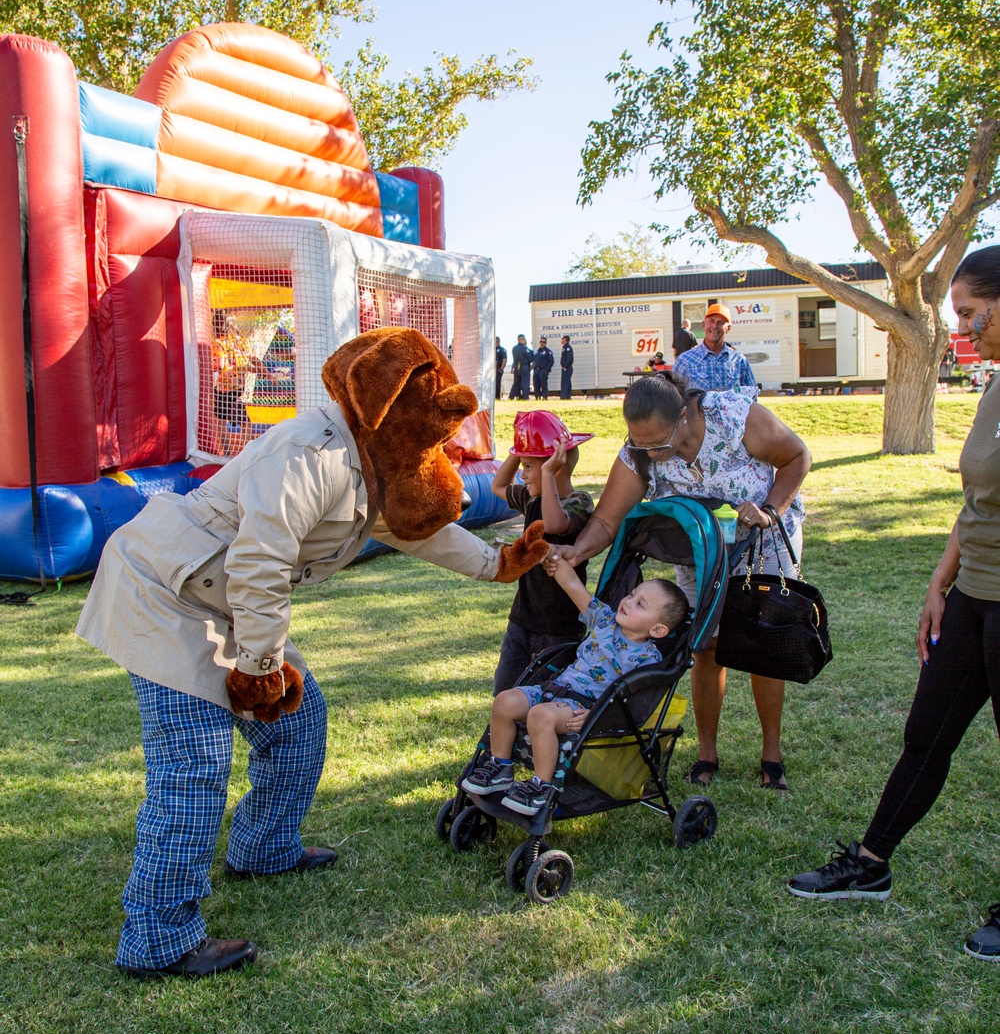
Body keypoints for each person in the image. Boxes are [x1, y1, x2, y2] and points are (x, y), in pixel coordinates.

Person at [75, 328, 550, 980]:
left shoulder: (374, 457)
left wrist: (497, 562)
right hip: (171, 593)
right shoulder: (311, 452)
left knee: (301, 721)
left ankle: (264, 847)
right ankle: (158, 939)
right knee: (194, 768)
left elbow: (416, 531)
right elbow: (260, 560)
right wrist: (262, 667)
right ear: (386, 404)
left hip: (229, 600)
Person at [788, 246, 1000, 961]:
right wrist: (941, 584)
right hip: (974, 593)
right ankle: (871, 865)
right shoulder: (996, 386)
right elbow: (975, 504)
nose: (965, 330)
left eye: (973, 313)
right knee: (927, 730)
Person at [547, 373, 810, 789]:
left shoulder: (735, 417)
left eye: (659, 443)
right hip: (701, 552)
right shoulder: (639, 452)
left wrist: (770, 511)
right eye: (641, 444)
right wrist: (577, 551)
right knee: (703, 646)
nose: (652, 452)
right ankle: (707, 753)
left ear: (684, 415)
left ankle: (771, 755)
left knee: (764, 648)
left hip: (763, 543)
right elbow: (607, 518)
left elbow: (797, 457)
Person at [464, 555, 688, 816]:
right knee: (504, 701)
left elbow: (635, 702)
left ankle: (542, 786)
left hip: (583, 709)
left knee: (540, 715)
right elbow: (573, 586)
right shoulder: (604, 619)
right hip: (552, 689)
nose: (627, 601)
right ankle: (500, 766)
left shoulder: (647, 660)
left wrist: (598, 717)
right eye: (632, 594)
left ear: (658, 630)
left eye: (640, 604)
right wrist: (553, 559)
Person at [490, 410, 595, 693]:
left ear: (554, 468)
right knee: (505, 692)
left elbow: (554, 523)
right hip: (522, 620)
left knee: (549, 696)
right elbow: (497, 485)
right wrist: (519, 449)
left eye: (527, 466)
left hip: (560, 628)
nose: (522, 473)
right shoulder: (531, 497)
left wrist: (545, 473)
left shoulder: (580, 502)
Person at [211, 310, 270, 453]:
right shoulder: (240, 341)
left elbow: (220, 365)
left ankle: (229, 451)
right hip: (238, 387)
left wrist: (211, 366)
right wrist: (266, 373)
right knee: (240, 419)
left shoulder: (219, 343)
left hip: (224, 388)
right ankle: (245, 449)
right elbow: (253, 359)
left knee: (221, 421)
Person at [671, 304, 757, 394]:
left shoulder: (739, 361)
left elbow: (752, 398)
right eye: (711, 321)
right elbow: (672, 398)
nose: (715, 326)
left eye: (721, 323)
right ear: (704, 325)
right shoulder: (684, 361)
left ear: (728, 328)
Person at [510, 335, 533, 400]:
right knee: (525, 382)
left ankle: (513, 396)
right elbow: (530, 358)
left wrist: (513, 368)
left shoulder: (514, 348)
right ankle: (525, 396)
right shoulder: (525, 348)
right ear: (521, 339)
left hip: (517, 367)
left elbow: (514, 360)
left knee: (516, 382)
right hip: (524, 366)